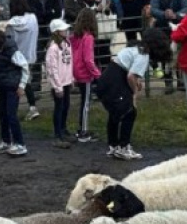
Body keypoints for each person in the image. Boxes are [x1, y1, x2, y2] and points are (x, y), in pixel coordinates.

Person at [96, 28, 169, 160]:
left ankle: (114, 146)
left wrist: (136, 82)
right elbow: (130, 76)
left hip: (107, 78)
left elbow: (130, 72)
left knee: (115, 112)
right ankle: (124, 147)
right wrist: (134, 94)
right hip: (115, 80)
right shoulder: (144, 55)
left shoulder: (136, 47)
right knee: (129, 112)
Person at [0, 29, 29, 157]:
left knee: (11, 115)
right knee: (2, 114)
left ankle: (20, 144)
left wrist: (21, 86)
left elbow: (25, 67)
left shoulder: (13, 51)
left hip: (13, 87)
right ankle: (6, 141)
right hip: (1, 85)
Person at [26, 0, 63, 120]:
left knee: (55, 58)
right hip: (37, 32)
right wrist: (48, 14)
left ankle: (57, 85)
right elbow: (34, 14)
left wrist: (45, 15)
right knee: (36, 59)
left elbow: (58, 12)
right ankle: (36, 87)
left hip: (51, 32)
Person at [150, 0, 187, 92]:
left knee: (180, 54)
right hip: (162, 29)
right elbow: (153, 9)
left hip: (179, 28)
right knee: (164, 55)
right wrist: (164, 14)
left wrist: (175, 15)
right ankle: (168, 83)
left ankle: (181, 81)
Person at [3, 0, 40, 121]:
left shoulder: (12, 23)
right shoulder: (33, 18)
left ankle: (13, 110)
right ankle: (32, 107)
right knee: (26, 81)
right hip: (30, 55)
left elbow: (9, 26)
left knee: (17, 83)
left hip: (18, 57)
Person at [70, 9, 101, 143]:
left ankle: (82, 128)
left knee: (84, 101)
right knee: (86, 103)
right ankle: (84, 131)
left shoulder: (74, 36)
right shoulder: (88, 37)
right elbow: (88, 59)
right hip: (85, 73)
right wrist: (97, 74)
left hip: (76, 70)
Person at [45, 18, 74, 149]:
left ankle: (63, 129)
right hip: (59, 84)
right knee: (59, 108)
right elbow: (52, 68)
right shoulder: (53, 48)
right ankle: (58, 134)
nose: (66, 30)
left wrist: (71, 79)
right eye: (63, 29)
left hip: (66, 81)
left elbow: (69, 63)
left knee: (66, 106)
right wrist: (57, 86)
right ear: (56, 32)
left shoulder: (66, 44)